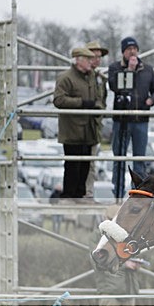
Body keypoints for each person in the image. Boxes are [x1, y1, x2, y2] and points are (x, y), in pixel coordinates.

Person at [107, 36, 154, 198]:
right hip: (121, 120)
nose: (132, 52)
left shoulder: (147, 69)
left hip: (141, 121)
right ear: (123, 52)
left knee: (139, 159)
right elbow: (114, 86)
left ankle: (138, 193)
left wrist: (151, 100)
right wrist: (129, 72)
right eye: (128, 49)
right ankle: (117, 193)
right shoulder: (115, 68)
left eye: (135, 49)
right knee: (119, 158)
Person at [91, 206, 141, 306]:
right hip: (110, 290)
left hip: (128, 289)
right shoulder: (96, 237)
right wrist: (126, 264)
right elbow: (97, 260)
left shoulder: (126, 237)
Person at [53, 47, 101, 199]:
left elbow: (98, 97)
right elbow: (58, 100)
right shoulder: (66, 78)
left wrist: (97, 107)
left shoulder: (91, 77)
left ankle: (80, 196)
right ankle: (69, 197)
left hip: (88, 129)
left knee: (85, 167)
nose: (90, 62)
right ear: (78, 60)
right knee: (72, 167)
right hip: (72, 131)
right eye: (87, 59)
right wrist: (81, 103)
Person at [84, 40, 109, 198]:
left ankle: (88, 193)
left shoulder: (100, 78)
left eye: (99, 57)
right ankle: (80, 193)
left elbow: (103, 100)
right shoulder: (82, 76)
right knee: (78, 161)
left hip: (94, 125)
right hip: (81, 124)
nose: (97, 60)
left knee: (91, 162)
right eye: (94, 56)